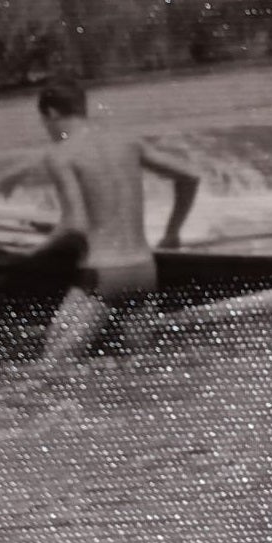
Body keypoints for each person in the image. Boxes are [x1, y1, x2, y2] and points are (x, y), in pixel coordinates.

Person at [33, 79, 200, 359]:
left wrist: (33, 251)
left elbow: (76, 224)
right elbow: (189, 176)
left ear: (50, 114)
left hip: (102, 276)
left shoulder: (60, 154)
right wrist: (172, 232)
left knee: (51, 367)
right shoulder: (127, 141)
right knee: (140, 366)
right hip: (144, 271)